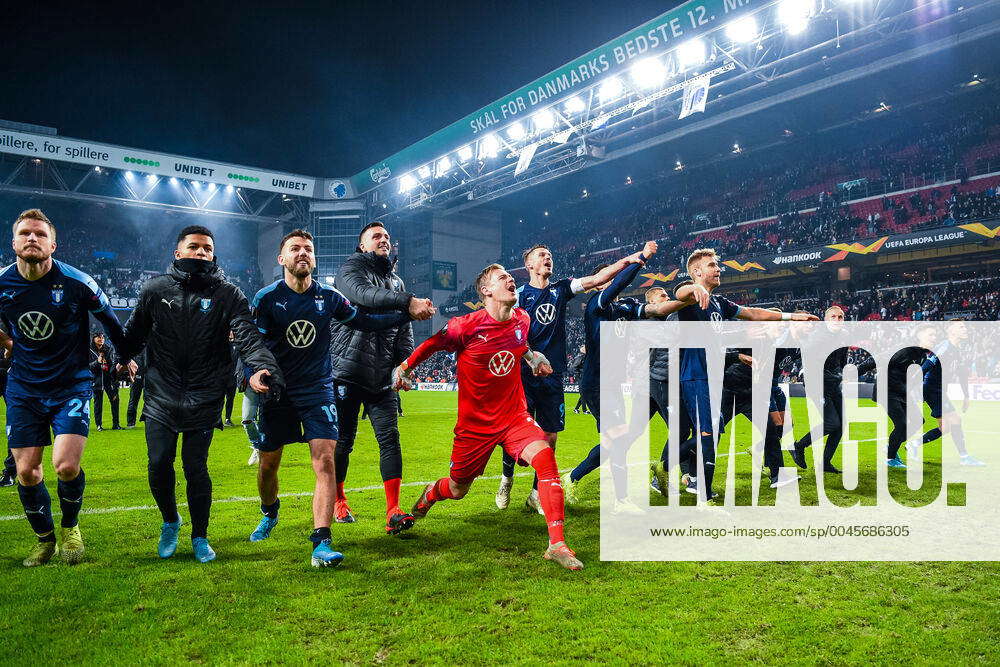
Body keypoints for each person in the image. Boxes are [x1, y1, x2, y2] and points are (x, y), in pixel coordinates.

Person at [392, 263, 582, 570]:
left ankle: (557, 544)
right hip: (475, 427)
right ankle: (429, 495)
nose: (511, 280)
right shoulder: (463, 326)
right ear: (486, 291)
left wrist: (534, 358)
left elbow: (521, 346)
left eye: (510, 276)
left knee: (546, 456)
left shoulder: (522, 318)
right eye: (502, 278)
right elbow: (431, 345)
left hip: (514, 418)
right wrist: (404, 368)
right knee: (457, 489)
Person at [248, 230, 419, 567]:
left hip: (318, 388)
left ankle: (322, 542)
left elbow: (367, 322)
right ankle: (270, 511)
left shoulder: (329, 297)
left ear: (314, 259)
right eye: (294, 249)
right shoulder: (266, 299)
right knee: (269, 466)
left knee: (326, 459)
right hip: (279, 391)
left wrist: (407, 314)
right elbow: (252, 345)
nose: (302, 253)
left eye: (308, 249)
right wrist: (251, 373)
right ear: (281, 259)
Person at [120, 224, 282, 563]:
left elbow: (248, 336)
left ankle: (199, 536)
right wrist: (122, 358)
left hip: (205, 394)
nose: (201, 252)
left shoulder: (228, 295)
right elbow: (132, 335)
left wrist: (264, 366)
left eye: (207, 248)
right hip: (161, 393)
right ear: (178, 253)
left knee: (196, 467)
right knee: (158, 463)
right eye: (194, 246)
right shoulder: (154, 290)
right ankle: (170, 521)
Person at [0, 209, 135, 566]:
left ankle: (70, 528)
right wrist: (9, 342)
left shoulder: (78, 283)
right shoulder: (2, 283)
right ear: (13, 242)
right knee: (27, 471)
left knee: (65, 467)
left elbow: (111, 320)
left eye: (40, 234)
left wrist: (125, 358)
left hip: (70, 386)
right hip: (24, 388)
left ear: (53, 244)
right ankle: (43, 539)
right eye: (25, 233)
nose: (32, 238)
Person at [496, 243, 647, 513]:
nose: (547, 258)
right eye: (541, 255)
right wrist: (527, 356)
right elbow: (505, 329)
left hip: (553, 376)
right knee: (515, 433)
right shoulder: (517, 296)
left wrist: (630, 259)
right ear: (529, 265)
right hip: (523, 374)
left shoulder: (561, 289)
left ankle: (535, 493)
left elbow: (598, 279)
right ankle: (506, 478)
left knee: (550, 437)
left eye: (550, 255)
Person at [669, 249, 816, 502]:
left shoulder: (719, 303)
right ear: (697, 272)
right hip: (696, 376)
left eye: (718, 265)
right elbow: (679, 293)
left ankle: (691, 479)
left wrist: (793, 316)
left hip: (718, 378)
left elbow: (754, 313)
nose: (718, 269)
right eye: (712, 265)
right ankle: (696, 485)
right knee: (707, 433)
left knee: (713, 433)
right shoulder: (692, 299)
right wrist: (694, 289)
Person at [561, 243, 686, 510]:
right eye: (606, 278)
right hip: (596, 383)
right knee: (617, 440)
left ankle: (572, 478)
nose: (611, 283)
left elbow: (655, 310)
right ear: (599, 283)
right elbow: (617, 284)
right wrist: (641, 258)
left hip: (613, 384)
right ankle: (618, 498)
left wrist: (688, 299)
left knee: (613, 442)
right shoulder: (596, 303)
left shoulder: (623, 308)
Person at [329, 222, 433, 530]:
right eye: (376, 236)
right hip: (347, 371)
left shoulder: (397, 282)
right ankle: (338, 500)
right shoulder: (349, 271)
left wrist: (405, 367)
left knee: (390, 440)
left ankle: (393, 511)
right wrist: (407, 303)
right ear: (362, 246)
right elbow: (365, 296)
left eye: (387, 237)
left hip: (383, 377)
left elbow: (405, 332)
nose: (383, 240)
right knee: (344, 442)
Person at [918, 319, 985, 466]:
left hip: (938, 390)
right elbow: (928, 365)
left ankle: (913, 446)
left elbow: (962, 375)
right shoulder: (944, 346)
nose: (965, 329)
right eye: (961, 327)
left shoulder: (957, 350)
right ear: (951, 331)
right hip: (932, 389)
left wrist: (966, 396)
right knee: (955, 420)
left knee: (945, 427)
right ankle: (964, 457)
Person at [89, 332, 121, 431]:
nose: (101, 339)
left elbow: (113, 364)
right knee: (98, 403)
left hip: (109, 380)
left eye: (102, 337)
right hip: (97, 380)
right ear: (93, 339)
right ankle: (99, 425)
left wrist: (115, 380)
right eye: (98, 337)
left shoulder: (109, 349)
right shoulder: (89, 350)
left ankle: (116, 424)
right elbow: (87, 366)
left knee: (115, 400)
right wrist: (97, 362)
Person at [0, 328, 14, 488]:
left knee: (15, 424)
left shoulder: (11, 306)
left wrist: (11, 349)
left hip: (12, 372)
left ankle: (10, 473)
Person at [125, 349, 146, 429]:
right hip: (137, 373)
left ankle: (145, 418)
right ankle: (130, 423)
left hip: (147, 373)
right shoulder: (136, 343)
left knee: (148, 398)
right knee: (134, 398)